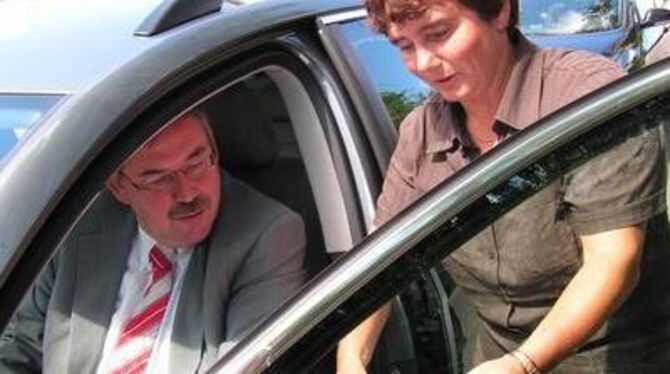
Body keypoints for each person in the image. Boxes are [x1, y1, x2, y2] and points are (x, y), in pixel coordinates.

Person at [337, 0, 670, 373]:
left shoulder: (584, 98)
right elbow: (381, 256)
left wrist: (524, 364)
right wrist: (352, 357)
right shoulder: (422, 132)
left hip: (617, 359)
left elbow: (613, 259)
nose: (423, 63)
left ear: (500, 12)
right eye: (405, 46)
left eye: (439, 34)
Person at [0, 110, 307, 373]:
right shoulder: (75, 225)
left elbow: (247, 366)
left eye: (196, 163)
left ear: (214, 150)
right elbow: (18, 352)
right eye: (159, 178)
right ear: (119, 187)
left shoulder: (265, 233)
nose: (187, 193)